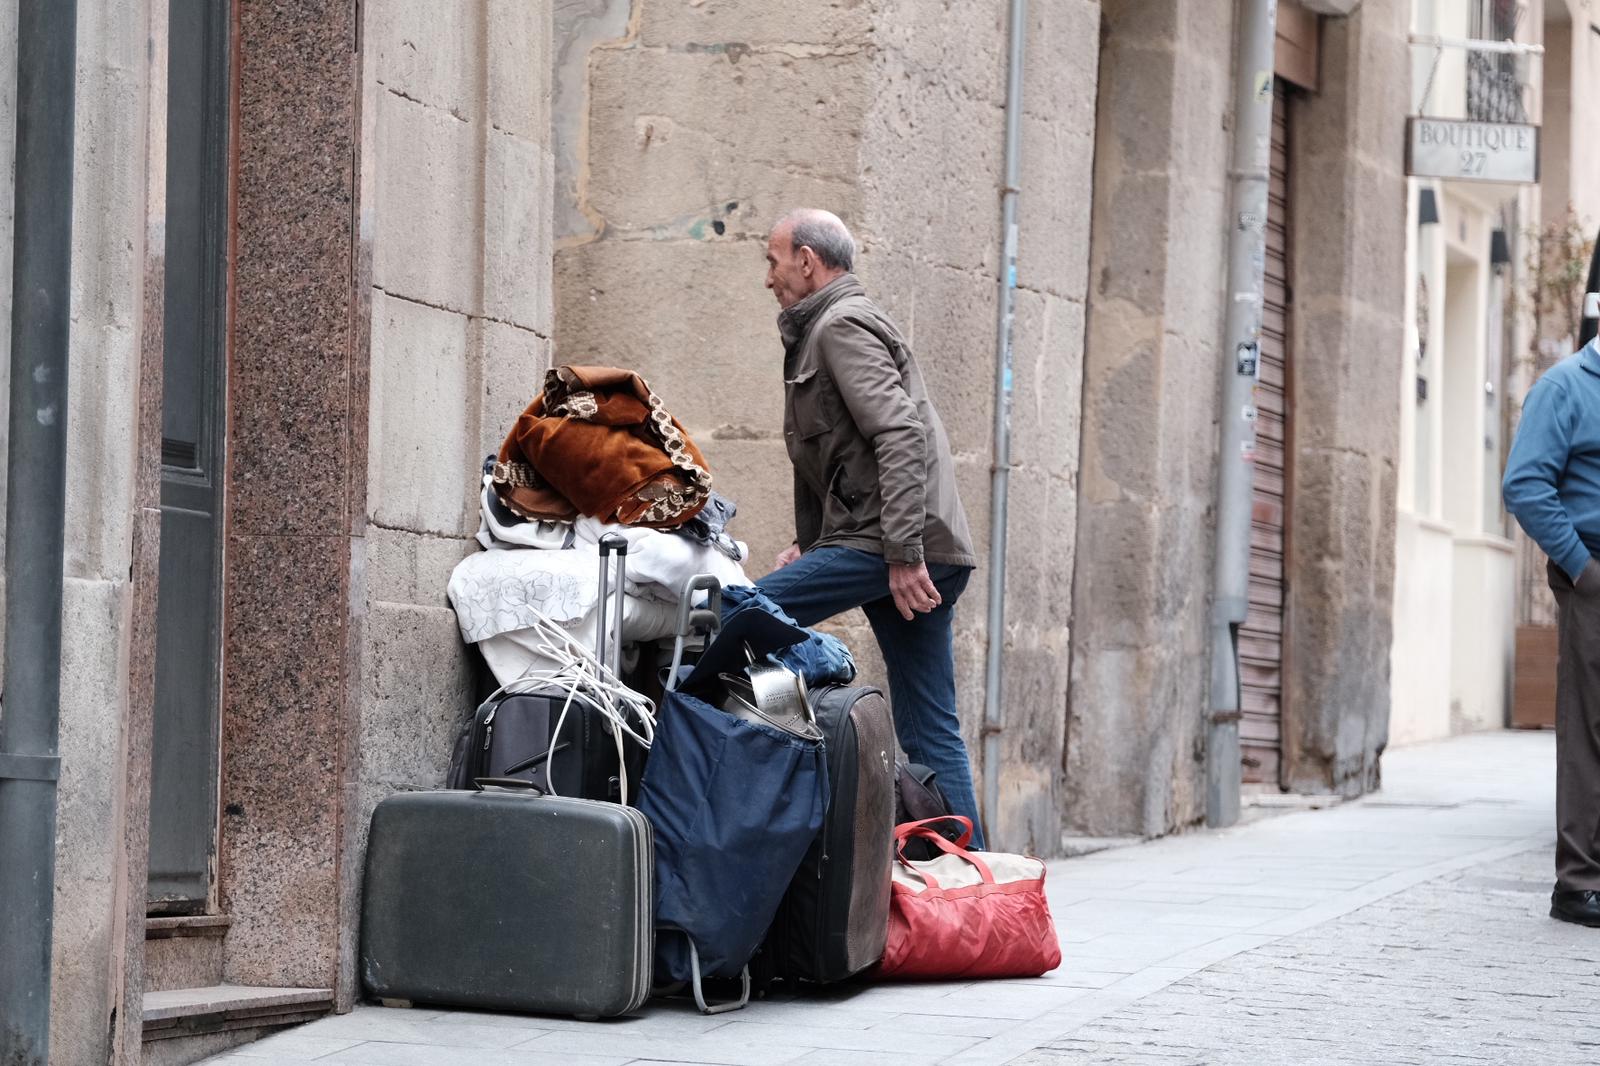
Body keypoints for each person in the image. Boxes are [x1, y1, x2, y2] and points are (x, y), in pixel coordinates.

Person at [754, 208, 986, 848]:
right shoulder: (818, 331)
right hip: (896, 542)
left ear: (806, 259)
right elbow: (835, 458)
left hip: (898, 545)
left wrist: (905, 553)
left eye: (772, 261)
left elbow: (899, 434)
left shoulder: (841, 325)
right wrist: (811, 543)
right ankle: (965, 889)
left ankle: (761, 777)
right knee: (932, 727)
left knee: (737, 616)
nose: (768, 278)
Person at [1504, 335, 1600, 927]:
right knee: (1590, 728)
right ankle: (1579, 883)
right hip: (1595, 575)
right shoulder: (1563, 388)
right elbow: (1525, 485)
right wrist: (1583, 570)